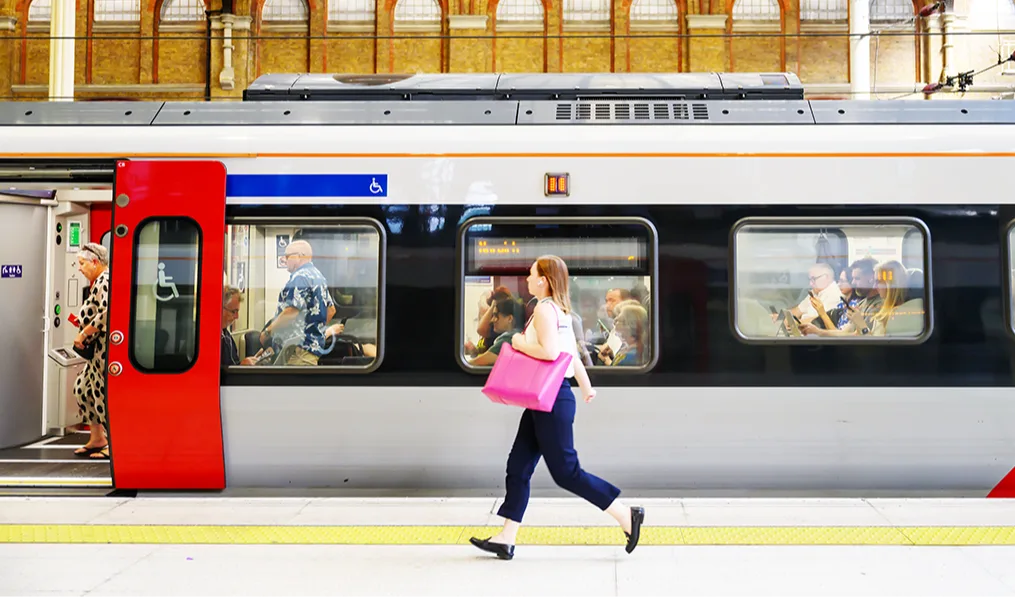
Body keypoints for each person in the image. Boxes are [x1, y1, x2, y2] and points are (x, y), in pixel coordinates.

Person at [470, 255, 644, 561]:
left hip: (548, 398)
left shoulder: (543, 310)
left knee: (566, 472)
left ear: (544, 280)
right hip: (548, 397)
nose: (527, 278)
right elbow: (571, 357)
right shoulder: (561, 311)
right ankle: (506, 537)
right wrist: (587, 388)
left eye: (531, 273)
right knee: (519, 466)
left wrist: (518, 344)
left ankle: (625, 514)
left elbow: (551, 353)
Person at [259, 240, 336, 366]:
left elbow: (291, 313)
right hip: (310, 352)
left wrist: (268, 332)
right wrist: (315, 333)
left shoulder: (300, 277)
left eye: (287, 256)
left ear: (299, 256)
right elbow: (331, 310)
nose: (284, 260)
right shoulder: (318, 276)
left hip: (297, 350)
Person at [72, 243, 111, 460]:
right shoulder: (99, 282)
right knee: (83, 389)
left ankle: (114, 443)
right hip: (95, 352)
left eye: (82, 263)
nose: (80, 268)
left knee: (101, 394)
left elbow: (107, 311)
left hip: (103, 349)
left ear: (94, 262)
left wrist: (84, 333)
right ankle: (97, 437)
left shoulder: (105, 281)